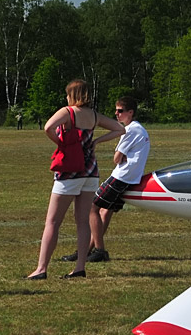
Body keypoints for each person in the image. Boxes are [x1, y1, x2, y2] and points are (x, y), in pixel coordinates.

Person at [26, 80, 123, 280]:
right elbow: (119, 129)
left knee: (52, 221)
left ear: (72, 95)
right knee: (82, 222)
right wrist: (97, 141)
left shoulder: (68, 112)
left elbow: (48, 127)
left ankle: (41, 269)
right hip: (90, 171)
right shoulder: (94, 115)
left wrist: (62, 143)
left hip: (70, 171)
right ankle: (79, 267)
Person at [62, 96, 149, 263]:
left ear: (131, 112)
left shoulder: (130, 130)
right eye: (116, 110)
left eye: (120, 111)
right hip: (130, 177)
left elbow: (117, 158)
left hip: (122, 176)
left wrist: (115, 154)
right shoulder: (139, 129)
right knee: (105, 210)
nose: (116, 114)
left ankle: (100, 250)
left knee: (92, 207)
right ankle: (87, 249)